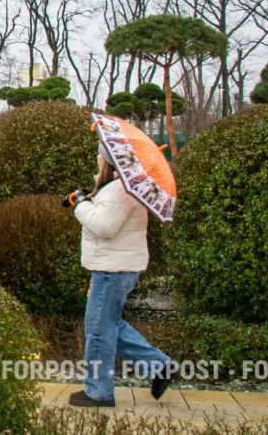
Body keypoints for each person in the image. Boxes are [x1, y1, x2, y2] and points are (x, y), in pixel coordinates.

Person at [63, 144, 175, 408]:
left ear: (109, 161)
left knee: (98, 329)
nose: (97, 159)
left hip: (112, 269)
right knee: (107, 323)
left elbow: (104, 226)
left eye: (100, 155)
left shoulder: (120, 189)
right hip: (116, 266)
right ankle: (159, 366)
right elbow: (106, 213)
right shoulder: (119, 187)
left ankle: (98, 392)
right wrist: (87, 197)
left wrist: (81, 205)